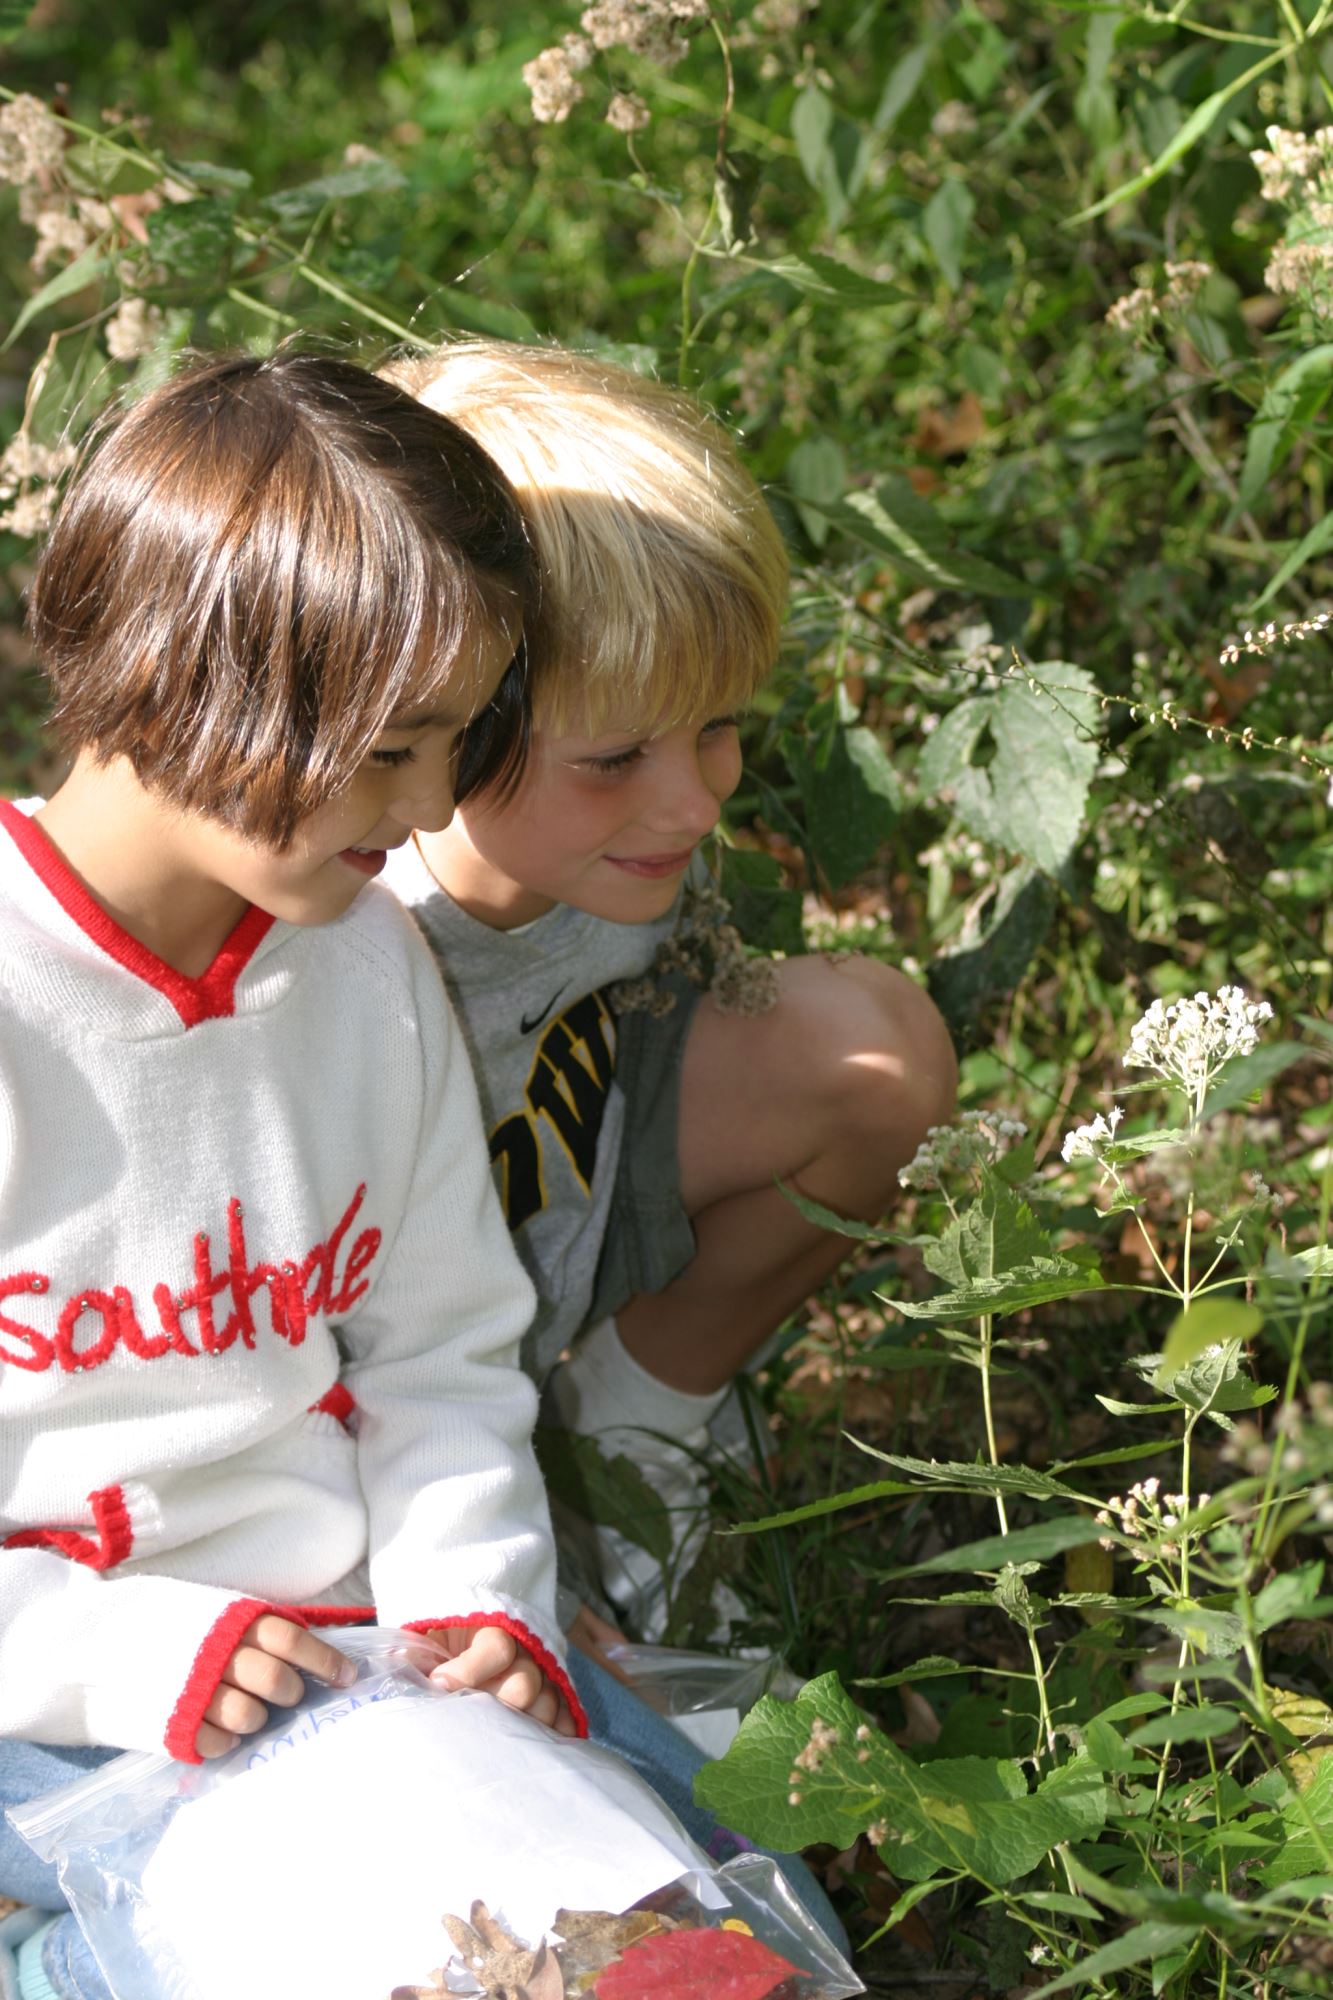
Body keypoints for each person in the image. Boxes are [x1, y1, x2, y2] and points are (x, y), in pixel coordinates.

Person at [0, 352, 583, 2000]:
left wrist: (480, 1604)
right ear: (190, 673)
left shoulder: (361, 968)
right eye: (388, 752)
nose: (416, 819)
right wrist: (130, 1657)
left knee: (655, 1933)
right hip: (42, 1706)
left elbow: (443, 1355)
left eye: (454, 751)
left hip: (352, 1682)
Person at [378, 341, 958, 1648]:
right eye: (618, 756)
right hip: (380, 1375)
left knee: (870, 1057)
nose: (694, 802)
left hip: (555, 1225)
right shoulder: (348, 934)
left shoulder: (607, 862)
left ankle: (635, 1436)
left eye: (715, 726)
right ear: (448, 716)